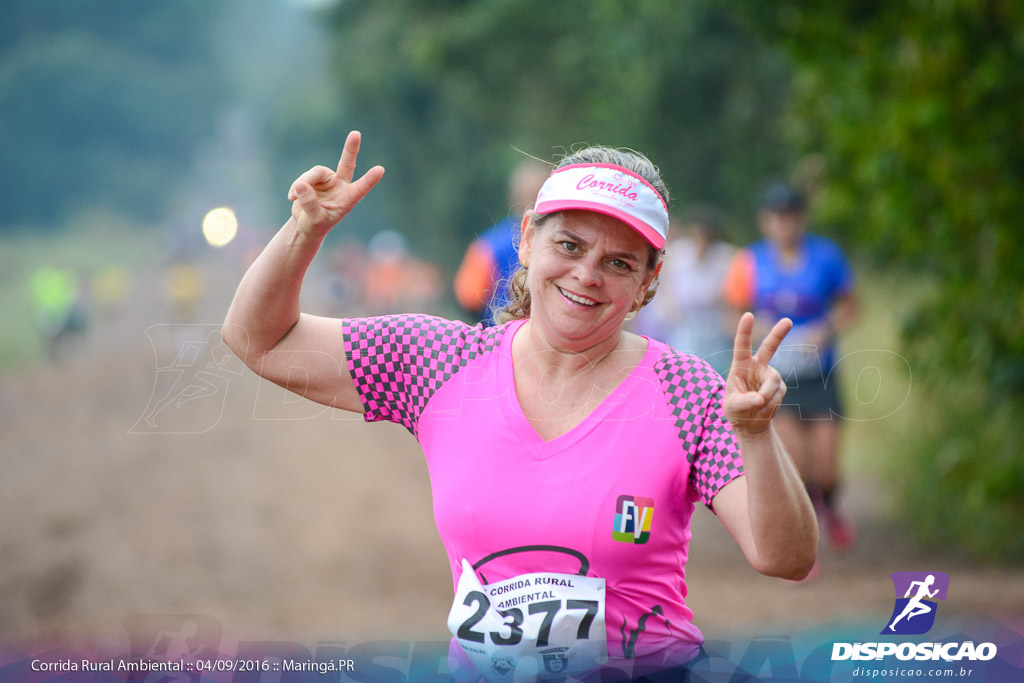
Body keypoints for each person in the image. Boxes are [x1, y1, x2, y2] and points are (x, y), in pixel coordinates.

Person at [221, 132, 817, 680]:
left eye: (619, 263)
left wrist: (758, 435)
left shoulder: (687, 392)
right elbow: (259, 339)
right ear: (528, 239)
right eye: (569, 244)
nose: (587, 275)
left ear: (649, 283)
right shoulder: (438, 362)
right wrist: (306, 229)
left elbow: (784, 556)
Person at [723, 183, 860, 558]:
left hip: (820, 371)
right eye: (776, 216)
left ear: (800, 218)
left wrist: (826, 328)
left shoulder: (826, 256)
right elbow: (730, 314)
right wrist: (756, 325)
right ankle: (806, 534)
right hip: (777, 376)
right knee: (797, 462)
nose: (784, 223)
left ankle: (829, 505)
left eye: (790, 215)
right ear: (764, 221)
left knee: (827, 464)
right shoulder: (748, 261)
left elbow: (851, 306)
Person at [632, 206, 735, 377]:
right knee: (684, 370)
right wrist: (671, 312)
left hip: (714, 326)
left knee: (714, 370)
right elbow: (666, 284)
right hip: (684, 325)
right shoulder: (680, 253)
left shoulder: (725, 257)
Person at [454, 160, 549, 326]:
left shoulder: (489, 243)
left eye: (535, 194)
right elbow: (468, 297)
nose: (531, 201)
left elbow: (468, 299)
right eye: (530, 195)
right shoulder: (486, 247)